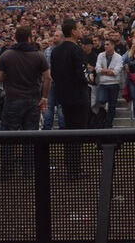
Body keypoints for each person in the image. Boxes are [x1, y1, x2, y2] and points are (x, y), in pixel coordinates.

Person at [0, 25, 50, 175]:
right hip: (33, 99)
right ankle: (28, 168)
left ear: (15, 38)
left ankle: (7, 169)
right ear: (30, 38)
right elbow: (47, 78)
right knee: (30, 135)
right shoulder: (39, 55)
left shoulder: (7, 55)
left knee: (8, 135)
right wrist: (44, 97)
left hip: (13, 99)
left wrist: (10, 75)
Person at [49, 18, 89, 175]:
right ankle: (75, 168)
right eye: (79, 28)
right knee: (78, 132)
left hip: (64, 95)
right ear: (73, 31)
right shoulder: (76, 50)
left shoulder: (55, 51)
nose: (81, 30)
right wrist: (86, 82)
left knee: (69, 131)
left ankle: (71, 166)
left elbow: (54, 73)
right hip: (78, 96)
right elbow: (81, 74)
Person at [95, 38, 124, 128]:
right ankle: (102, 119)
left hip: (114, 83)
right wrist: (109, 71)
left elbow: (116, 72)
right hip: (103, 83)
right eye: (105, 44)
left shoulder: (119, 57)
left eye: (107, 44)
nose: (105, 46)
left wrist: (104, 70)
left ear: (113, 45)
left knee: (112, 106)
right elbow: (97, 69)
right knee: (101, 100)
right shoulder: (100, 55)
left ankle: (108, 124)